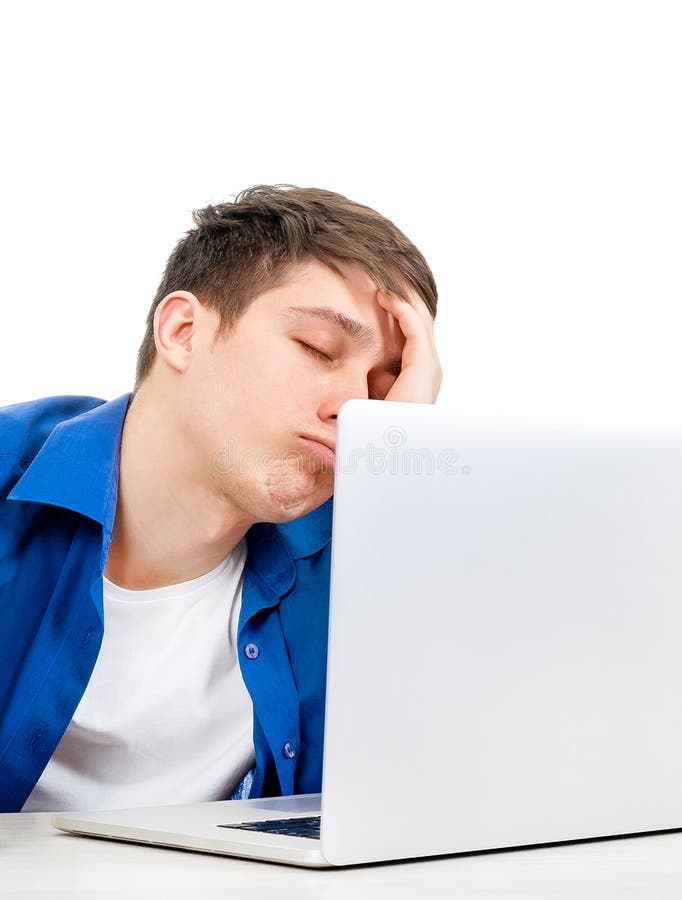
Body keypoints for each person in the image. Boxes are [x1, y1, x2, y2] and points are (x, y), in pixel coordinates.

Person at [0, 185, 442, 813]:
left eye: (382, 383)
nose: (355, 407)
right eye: (318, 348)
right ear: (183, 331)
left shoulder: (367, 554)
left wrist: (400, 461)